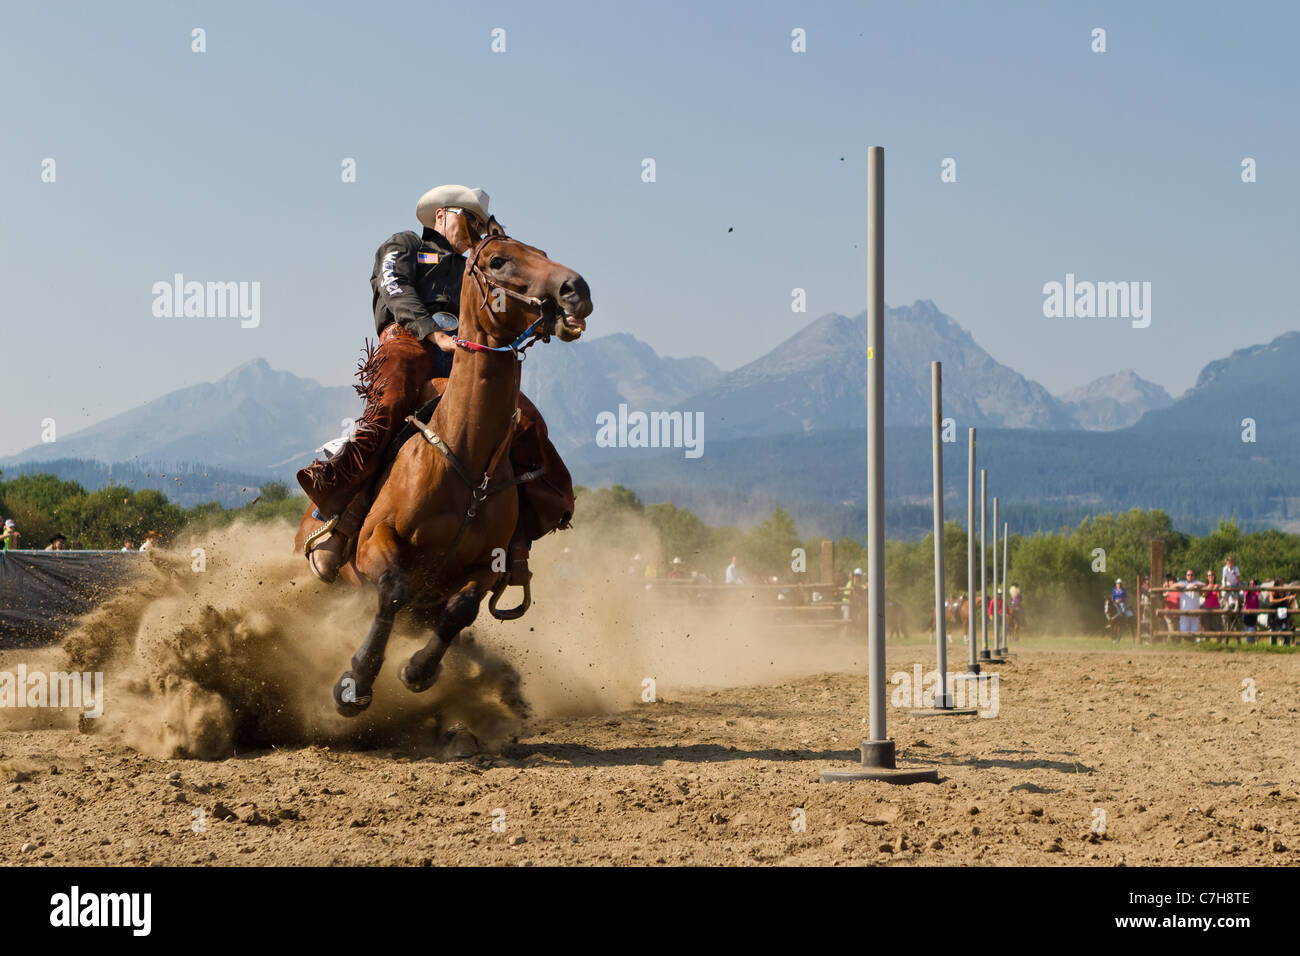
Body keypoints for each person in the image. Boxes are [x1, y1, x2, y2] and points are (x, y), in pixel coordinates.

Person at [295, 184, 576, 586]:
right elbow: (395, 290)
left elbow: (507, 306)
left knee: (525, 421)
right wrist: (431, 331)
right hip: (408, 344)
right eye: (470, 219)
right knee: (391, 407)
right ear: (441, 214)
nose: (476, 228)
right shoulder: (404, 245)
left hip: (465, 357)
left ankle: (514, 545)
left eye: (481, 223)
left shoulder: (475, 269)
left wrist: (552, 323)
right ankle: (338, 520)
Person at [1177, 569, 1201, 634]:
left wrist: (1195, 585)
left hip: (1195, 612)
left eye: (1191, 575)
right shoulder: (1182, 582)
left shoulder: (1197, 582)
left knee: (1195, 632)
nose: (1190, 576)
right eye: (1188, 575)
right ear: (1186, 576)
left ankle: (1194, 643)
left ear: (1194, 576)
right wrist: (1179, 585)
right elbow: (1172, 586)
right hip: (1184, 612)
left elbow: (1204, 585)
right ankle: (1185, 643)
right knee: (1184, 631)